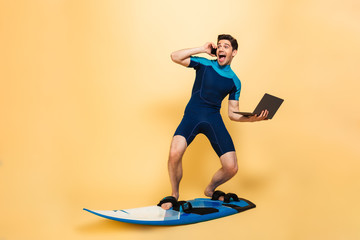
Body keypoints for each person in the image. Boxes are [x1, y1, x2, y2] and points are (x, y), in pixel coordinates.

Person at [160, 34, 269, 210]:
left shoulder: (235, 81)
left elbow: (233, 114)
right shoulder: (205, 64)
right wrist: (202, 49)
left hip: (213, 119)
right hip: (192, 116)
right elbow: (175, 57)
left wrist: (254, 119)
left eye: (226, 46)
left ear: (234, 52)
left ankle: (210, 189)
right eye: (219, 45)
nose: (220, 48)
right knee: (174, 153)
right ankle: (174, 194)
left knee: (231, 167)